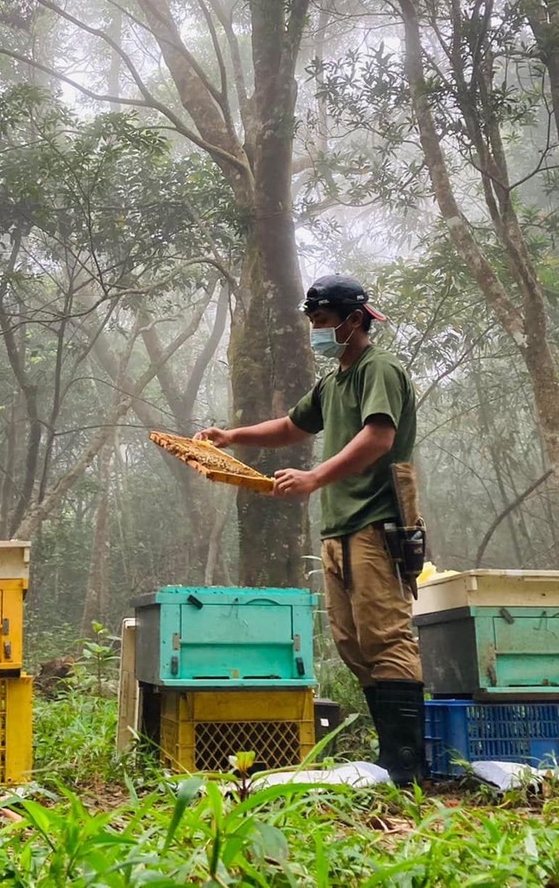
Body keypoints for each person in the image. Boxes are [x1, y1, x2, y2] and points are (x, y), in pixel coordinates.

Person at [195, 274, 427, 786]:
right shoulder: (334, 381)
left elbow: (379, 436)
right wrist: (231, 435)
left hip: (376, 522)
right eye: (313, 322)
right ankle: (391, 756)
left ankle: (408, 763)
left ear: (354, 319)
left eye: (323, 321)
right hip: (339, 529)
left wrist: (315, 477)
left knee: (386, 637)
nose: (317, 331)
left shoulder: (379, 369)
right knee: (352, 641)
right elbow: (291, 427)